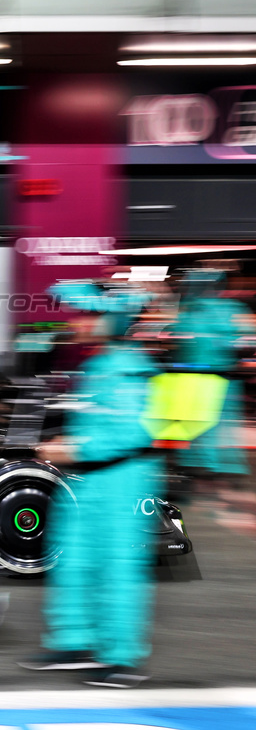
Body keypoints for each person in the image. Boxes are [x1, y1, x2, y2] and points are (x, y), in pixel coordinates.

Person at [19, 280, 160, 688]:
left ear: (113, 320)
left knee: (117, 567)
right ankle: (74, 642)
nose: (79, 323)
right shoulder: (98, 364)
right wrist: (67, 444)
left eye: (89, 315)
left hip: (122, 482)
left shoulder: (132, 367)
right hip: (87, 480)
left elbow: (132, 432)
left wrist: (73, 448)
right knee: (73, 560)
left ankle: (122, 659)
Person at [165, 269, 251, 480]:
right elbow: (246, 340)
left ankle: (199, 464)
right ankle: (213, 464)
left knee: (197, 422)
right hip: (221, 378)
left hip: (193, 378)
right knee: (219, 423)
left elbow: (175, 337)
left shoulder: (188, 311)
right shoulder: (231, 309)